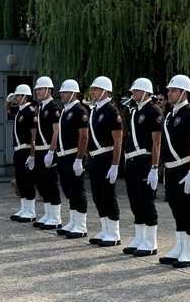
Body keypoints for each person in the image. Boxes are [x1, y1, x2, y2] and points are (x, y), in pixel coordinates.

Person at [158, 75, 190, 268]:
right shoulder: (170, 115)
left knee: (188, 209)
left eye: (173, 90)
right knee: (176, 209)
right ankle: (180, 245)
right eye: (169, 90)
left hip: (184, 168)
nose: (169, 93)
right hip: (171, 170)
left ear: (184, 92)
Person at [121, 78, 162, 256]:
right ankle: (139, 237)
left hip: (144, 160)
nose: (133, 93)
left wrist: (154, 167)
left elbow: (157, 143)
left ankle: (151, 241)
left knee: (146, 201)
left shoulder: (153, 111)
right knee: (134, 201)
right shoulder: (135, 111)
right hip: (132, 161)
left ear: (146, 92)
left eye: (136, 91)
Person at [85, 76, 124, 246]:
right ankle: (105, 228)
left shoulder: (111, 112)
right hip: (94, 158)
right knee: (97, 195)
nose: (92, 92)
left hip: (106, 157)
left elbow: (118, 141)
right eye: (93, 89)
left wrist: (115, 165)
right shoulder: (94, 111)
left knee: (108, 195)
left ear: (105, 91)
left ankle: (114, 233)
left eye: (95, 89)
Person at [48, 79, 89, 239]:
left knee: (78, 190)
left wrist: (79, 159)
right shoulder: (65, 110)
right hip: (64, 156)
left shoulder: (80, 111)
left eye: (64, 92)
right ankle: (73, 221)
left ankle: (81, 225)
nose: (61, 94)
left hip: (74, 155)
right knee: (68, 190)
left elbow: (84, 137)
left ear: (73, 93)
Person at [31, 76, 64, 231]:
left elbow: (55, 132)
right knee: (40, 182)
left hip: (47, 150)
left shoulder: (53, 108)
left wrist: (51, 151)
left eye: (40, 89)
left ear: (48, 90)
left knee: (50, 183)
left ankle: (56, 217)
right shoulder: (41, 107)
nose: (37, 91)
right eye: (37, 89)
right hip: (39, 150)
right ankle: (48, 213)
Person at [5, 84, 38, 222]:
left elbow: (34, 136)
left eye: (18, 95)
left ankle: (30, 211)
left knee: (28, 180)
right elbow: (7, 109)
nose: (16, 98)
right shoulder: (19, 110)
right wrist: (8, 99)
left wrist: (32, 155)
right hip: (18, 150)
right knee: (20, 180)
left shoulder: (30, 111)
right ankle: (24, 208)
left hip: (26, 149)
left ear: (25, 96)